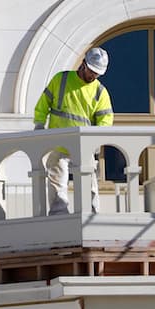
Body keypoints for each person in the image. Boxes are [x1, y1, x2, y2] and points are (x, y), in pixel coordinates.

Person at [33, 47, 114, 215]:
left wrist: (96, 140)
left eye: (97, 74)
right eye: (92, 71)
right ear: (83, 64)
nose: (93, 76)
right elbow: (43, 104)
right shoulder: (61, 80)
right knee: (57, 185)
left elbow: (106, 120)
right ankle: (58, 218)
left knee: (89, 185)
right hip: (58, 144)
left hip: (83, 146)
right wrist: (39, 124)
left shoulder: (100, 91)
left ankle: (91, 216)